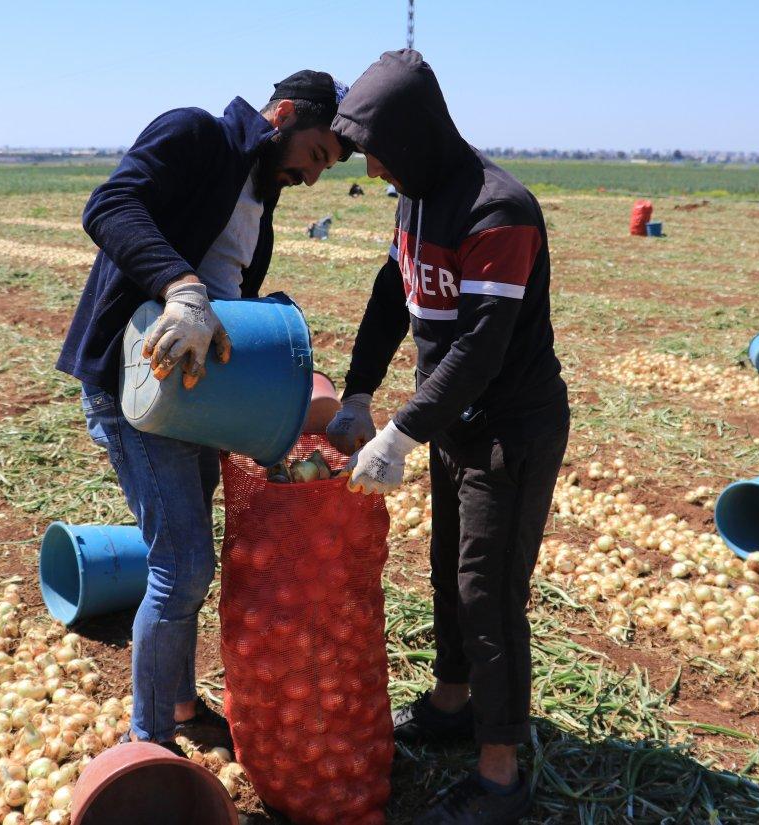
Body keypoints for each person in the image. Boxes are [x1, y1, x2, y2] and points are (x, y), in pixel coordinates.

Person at [57, 70, 348, 752]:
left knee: (186, 560)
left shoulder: (260, 195)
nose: (313, 177)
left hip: (200, 398)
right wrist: (180, 287)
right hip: (139, 384)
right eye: (316, 155)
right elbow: (110, 207)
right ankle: (148, 744)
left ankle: (181, 703)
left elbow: (233, 293)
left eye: (327, 168)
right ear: (282, 116)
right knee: (182, 565)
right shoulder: (195, 134)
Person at [327, 50, 570, 824]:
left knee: (488, 595)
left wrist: (400, 430)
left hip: (509, 427)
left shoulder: (499, 210)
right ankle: (452, 702)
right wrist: (361, 390)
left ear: (418, 133)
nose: (371, 162)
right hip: (457, 424)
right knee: (445, 572)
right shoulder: (416, 198)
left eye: (378, 145)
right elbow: (390, 294)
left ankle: (500, 777)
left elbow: (480, 347)